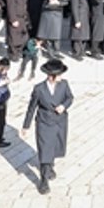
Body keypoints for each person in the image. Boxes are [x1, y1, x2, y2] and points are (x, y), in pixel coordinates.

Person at [24, 58, 73, 194]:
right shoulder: (39, 89)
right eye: (59, 75)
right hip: (44, 122)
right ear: (51, 76)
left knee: (56, 147)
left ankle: (50, 166)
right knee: (45, 150)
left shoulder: (64, 85)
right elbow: (32, 107)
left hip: (60, 121)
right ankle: (43, 180)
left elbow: (70, 98)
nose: (61, 77)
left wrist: (64, 106)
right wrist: (26, 126)